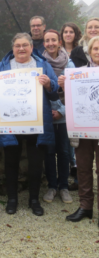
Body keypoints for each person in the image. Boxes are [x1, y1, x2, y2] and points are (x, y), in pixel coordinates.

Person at [0, 33, 58, 216]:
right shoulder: (2, 67)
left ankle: (34, 200)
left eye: (25, 45)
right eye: (18, 45)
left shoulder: (42, 66)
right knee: (11, 163)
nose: (21, 49)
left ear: (32, 47)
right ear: (13, 48)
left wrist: (49, 84)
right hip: (10, 123)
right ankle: (12, 199)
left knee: (35, 164)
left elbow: (55, 92)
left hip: (37, 123)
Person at [59, 36, 99, 223]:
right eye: (95, 48)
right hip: (84, 129)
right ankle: (85, 207)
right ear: (90, 51)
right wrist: (65, 87)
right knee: (83, 168)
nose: (98, 51)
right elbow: (69, 103)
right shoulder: (78, 73)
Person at [42, 30, 74, 204]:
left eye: (53, 40)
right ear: (44, 43)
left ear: (59, 42)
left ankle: (64, 187)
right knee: (48, 152)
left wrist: (61, 110)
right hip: (47, 116)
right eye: (47, 40)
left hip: (64, 116)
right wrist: (50, 111)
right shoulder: (40, 63)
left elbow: (75, 91)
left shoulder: (69, 64)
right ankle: (51, 186)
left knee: (63, 152)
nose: (50, 43)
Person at [60, 22, 82, 190]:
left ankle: (78, 177)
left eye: (71, 32)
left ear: (76, 34)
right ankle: (71, 171)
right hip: (63, 99)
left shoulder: (80, 52)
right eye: (65, 32)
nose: (68, 34)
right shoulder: (59, 53)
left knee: (78, 141)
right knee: (67, 143)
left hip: (79, 99)